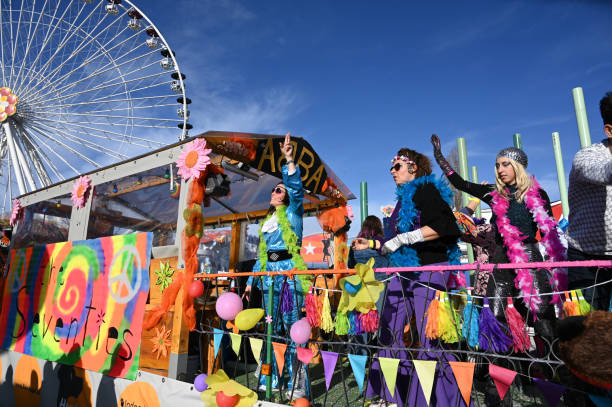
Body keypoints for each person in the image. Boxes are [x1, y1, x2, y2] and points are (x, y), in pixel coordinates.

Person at [366, 148, 463, 407]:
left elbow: (446, 227)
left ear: (413, 168)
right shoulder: (401, 201)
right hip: (403, 273)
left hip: (430, 271)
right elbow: (393, 243)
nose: (392, 171)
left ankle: (441, 401)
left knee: (429, 340)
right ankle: (393, 397)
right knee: (389, 332)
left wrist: (403, 238)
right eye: (391, 167)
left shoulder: (426, 190)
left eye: (396, 166)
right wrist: (374, 244)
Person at [244, 133, 309, 398]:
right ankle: (268, 378)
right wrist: (250, 283)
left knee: (293, 329)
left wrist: (289, 160)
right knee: (271, 329)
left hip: (290, 277)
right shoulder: (267, 223)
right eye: (273, 189)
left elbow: (296, 188)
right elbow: (262, 255)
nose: (274, 192)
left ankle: (295, 383)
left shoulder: (293, 213)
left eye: (278, 189)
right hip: (269, 278)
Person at [566, 91, 612, 311]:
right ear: (609, 130)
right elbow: (602, 172)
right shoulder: (587, 157)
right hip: (586, 259)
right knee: (589, 329)